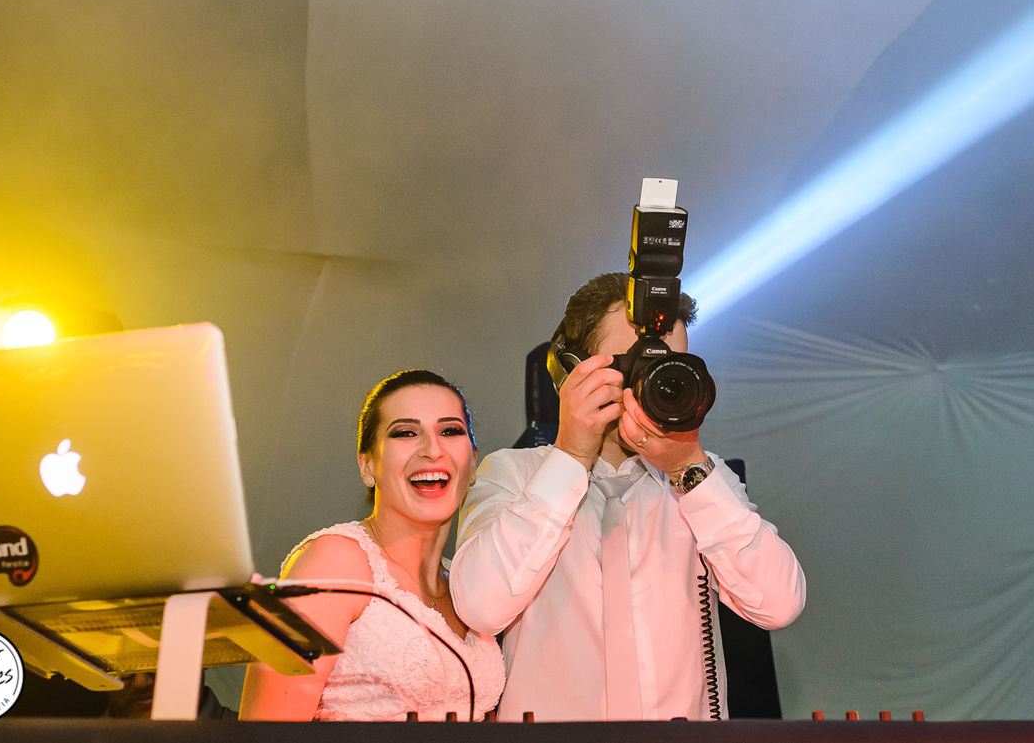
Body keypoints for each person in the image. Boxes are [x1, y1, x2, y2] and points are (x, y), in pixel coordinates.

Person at [450, 272, 806, 721]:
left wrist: (687, 469)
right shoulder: (512, 473)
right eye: (636, 364)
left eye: (670, 367)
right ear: (572, 370)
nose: (654, 381)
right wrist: (570, 456)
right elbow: (480, 607)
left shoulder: (701, 479)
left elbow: (779, 604)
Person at [239, 370, 505, 721]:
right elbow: (266, 729)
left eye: (450, 431)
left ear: (472, 461)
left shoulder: (468, 580)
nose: (432, 450)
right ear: (367, 465)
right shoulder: (335, 561)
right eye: (406, 433)